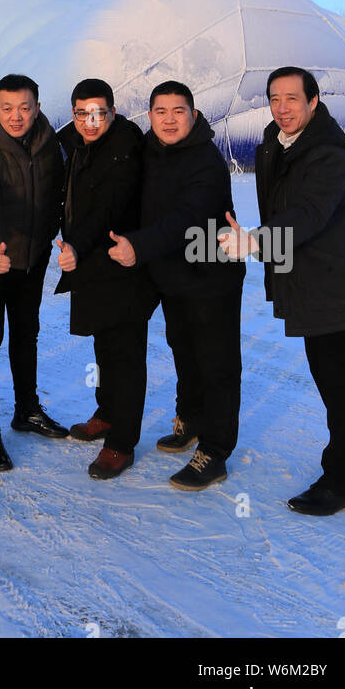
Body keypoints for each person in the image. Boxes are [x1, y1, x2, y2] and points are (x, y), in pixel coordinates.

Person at [219, 66, 345, 515]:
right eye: (275, 98)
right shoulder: (274, 141)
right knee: (328, 376)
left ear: (313, 101)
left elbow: (307, 214)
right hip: (305, 276)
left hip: (339, 280)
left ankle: (342, 482)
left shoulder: (329, 154)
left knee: (341, 383)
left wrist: (256, 241)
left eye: (292, 98)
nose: (283, 108)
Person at [109, 80, 242, 491]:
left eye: (178, 111)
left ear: (194, 115)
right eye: (161, 111)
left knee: (216, 361)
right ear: (149, 117)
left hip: (211, 275)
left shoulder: (206, 160)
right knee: (184, 350)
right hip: (172, 276)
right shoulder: (149, 149)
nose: (169, 119)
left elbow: (188, 218)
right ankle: (191, 419)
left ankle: (215, 451)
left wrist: (138, 245)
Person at [0, 74, 67, 471]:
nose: (16, 116)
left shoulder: (48, 143)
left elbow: (61, 192)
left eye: (24, 107)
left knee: (27, 332)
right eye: (7, 108)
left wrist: (65, 235)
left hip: (33, 257)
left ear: (37, 108)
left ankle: (27, 409)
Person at [55, 79, 156, 479]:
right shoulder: (76, 145)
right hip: (94, 264)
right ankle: (107, 412)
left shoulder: (125, 149)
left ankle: (122, 442)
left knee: (126, 353)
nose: (90, 120)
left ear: (112, 112)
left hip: (123, 261)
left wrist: (76, 244)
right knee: (103, 343)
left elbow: (107, 206)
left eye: (98, 112)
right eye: (82, 113)